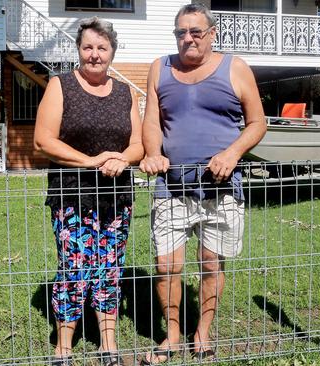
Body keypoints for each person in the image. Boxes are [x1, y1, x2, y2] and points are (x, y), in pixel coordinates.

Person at [138, 3, 267, 364]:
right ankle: (172, 336)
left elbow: (257, 123)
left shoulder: (235, 68)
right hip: (172, 185)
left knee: (211, 262)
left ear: (212, 34)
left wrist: (232, 153)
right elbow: (151, 119)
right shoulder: (159, 67)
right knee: (166, 266)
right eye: (181, 32)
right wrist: (152, 153)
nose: (188, 38)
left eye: (195, 31)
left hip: (220, 186)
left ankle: (203, 332)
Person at [34, 16, 143, 366]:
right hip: (71, 197)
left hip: (116, 196)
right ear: (79, 50)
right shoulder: (61, 85)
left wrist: (123, 159)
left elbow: (138, 144)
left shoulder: (125, 92)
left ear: (112, 51)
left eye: (102, 47)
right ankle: (63, 346)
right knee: (74, 267)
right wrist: (92, 161)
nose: (94, 54)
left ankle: (108, 344)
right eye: (87, 47)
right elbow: (43, 140)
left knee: (110, 267)